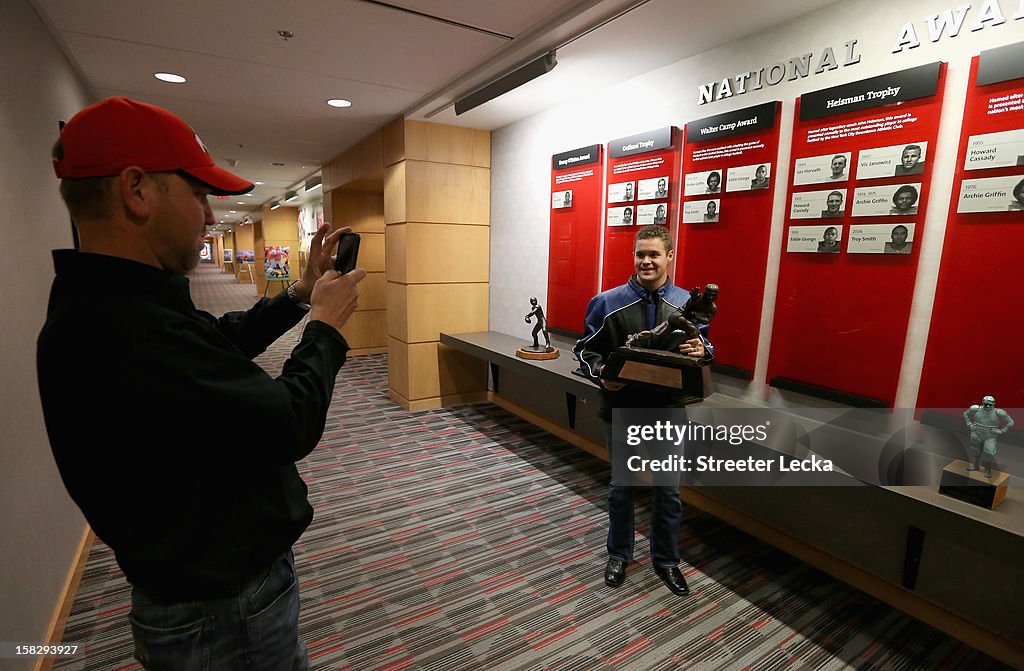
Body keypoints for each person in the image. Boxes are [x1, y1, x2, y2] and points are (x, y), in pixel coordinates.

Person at [38, 96, 366, 671]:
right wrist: (325, 329)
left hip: (210, 599)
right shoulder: (125, 328)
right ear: (137, 190)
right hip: (226, 613)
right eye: (198, 194)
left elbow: (217, 341)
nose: (211, 217)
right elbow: (290, 420)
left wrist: (295, 297)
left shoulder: (116, 304)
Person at [574, 225, 712, 597]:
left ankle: (666, 560)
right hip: (623, 408)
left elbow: (705, 345)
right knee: (623, 487)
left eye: (654, 254)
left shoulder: (686, 302)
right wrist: (603, 374)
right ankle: (619, 554)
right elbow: (585, 351)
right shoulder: (607, 301)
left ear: (669, 257)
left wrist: (702, 352)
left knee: (668, 491)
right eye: (640, 254)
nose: (646, 261)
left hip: (668, 410)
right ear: (633, 257)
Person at [963, 396, 1014, 477]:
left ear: (994, 404)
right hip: (976, 432)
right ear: (983, 402)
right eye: (986, 404)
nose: (987, 406)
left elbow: (1010, 422)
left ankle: (987, 469)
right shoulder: (976, 408)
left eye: (990, 405)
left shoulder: (999, 412)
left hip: (990, 435)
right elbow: (966, 414)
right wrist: (970, 424)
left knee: (989, 452)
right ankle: (975, 466)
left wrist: (1002, 430)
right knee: (975, 451)